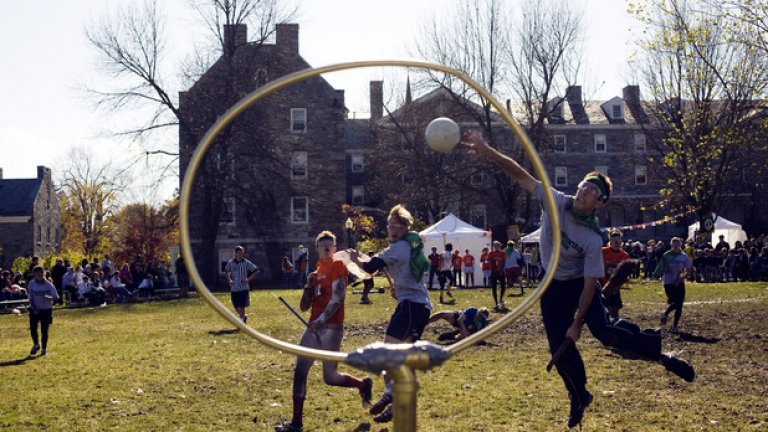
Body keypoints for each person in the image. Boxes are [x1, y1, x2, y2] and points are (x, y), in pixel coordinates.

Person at [463, 130, 695, 428]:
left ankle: (661, 354)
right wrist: (488, 150)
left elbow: (589, 285)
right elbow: (520, 174)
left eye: (592, 192)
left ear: (600, 203)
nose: (584, 192)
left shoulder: (590, 237)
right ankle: (579, 395)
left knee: (604, 331)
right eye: (584, 186)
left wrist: (577, 323)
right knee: (560, 350)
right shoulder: (555, 201)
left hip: (577, 285)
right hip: (550, 285)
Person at [274, 231, 373, 432]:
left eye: (331, 244)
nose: (327, 247)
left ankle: (363, 385)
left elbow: (338, 299)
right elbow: (303, 307)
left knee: (330, 377)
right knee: (300, 371)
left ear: (335, 249)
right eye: (323, 244)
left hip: (331, 328)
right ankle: (296, 423)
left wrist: (320, 321)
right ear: (317, 248)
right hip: (313, 327)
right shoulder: (317, 270)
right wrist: (308, 288)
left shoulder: (338, 266)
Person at [349, 204, 432, 424]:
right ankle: (395, 400)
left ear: (406, 228)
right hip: (419, 307)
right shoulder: (406, 246)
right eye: (391, 225)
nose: (393, 229)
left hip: (411, 308)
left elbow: (370, 267)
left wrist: (354, 258)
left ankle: (390, 394)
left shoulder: (399, 248)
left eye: (399, 225)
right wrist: (400, 288)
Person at [654, 237, 693, 334]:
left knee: (679, 305)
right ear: (671, 245)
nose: (676, 247)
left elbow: (688, 271)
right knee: (674, 302)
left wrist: (680, 279)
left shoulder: (684, 256)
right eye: (674, 245)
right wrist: (664, 270)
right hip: (668, 282)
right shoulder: (666, 255)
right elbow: (660, 268)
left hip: (679, 283)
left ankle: (674, 326)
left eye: (677, 245)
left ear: (680, 245)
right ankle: (665, 314)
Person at [26, 266, 59, 356]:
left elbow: (56, 297)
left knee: (44, 330)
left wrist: (50, 298)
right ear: (34, 274)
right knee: (33, 328)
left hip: (46, 309)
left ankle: (44, 349)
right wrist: (34, 308)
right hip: (35, 309)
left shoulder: (48, 284)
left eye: (41, 273)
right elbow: (30, 298)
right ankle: (36, 344)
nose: (39, 275)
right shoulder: (31, 284)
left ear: (44, 273)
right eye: (37, 273)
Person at [224, 245, 261, 323]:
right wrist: (229, 280)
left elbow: (256, 271)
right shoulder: (231, 263)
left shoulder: (246, 262)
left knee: (242, 305)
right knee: (236, 307)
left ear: (243, 253)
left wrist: (248, 280)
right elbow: (226, 271)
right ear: (235, 253)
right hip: (234, 288)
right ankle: (243, 317)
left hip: (243, 288)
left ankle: (242, 322)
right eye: (238, 253)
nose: (240, 254)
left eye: (241, 253)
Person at [602, 229, 630, 320]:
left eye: (618, 239)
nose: (616, 242)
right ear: (610, 241)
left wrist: (618, 285)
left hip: (615, 287)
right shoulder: (603, 251)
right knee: (607, 308)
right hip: (603, 285)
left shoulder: (624, 255)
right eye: (614, 240)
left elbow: (625, 274)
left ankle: (615, 325)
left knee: (615, 309)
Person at [488, 241, 507, 310]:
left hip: (501, 272)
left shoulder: (502, 253)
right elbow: (488, 261)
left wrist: (502, 270)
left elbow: (504, 263)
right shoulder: (491, 253)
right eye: (495, 246)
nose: (496, 247)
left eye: (498, 246)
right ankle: (496, 303)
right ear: (493, 246)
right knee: (494, 288)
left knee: (503, 287)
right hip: (494, 273)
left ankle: (501, 299)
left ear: (499, 246)